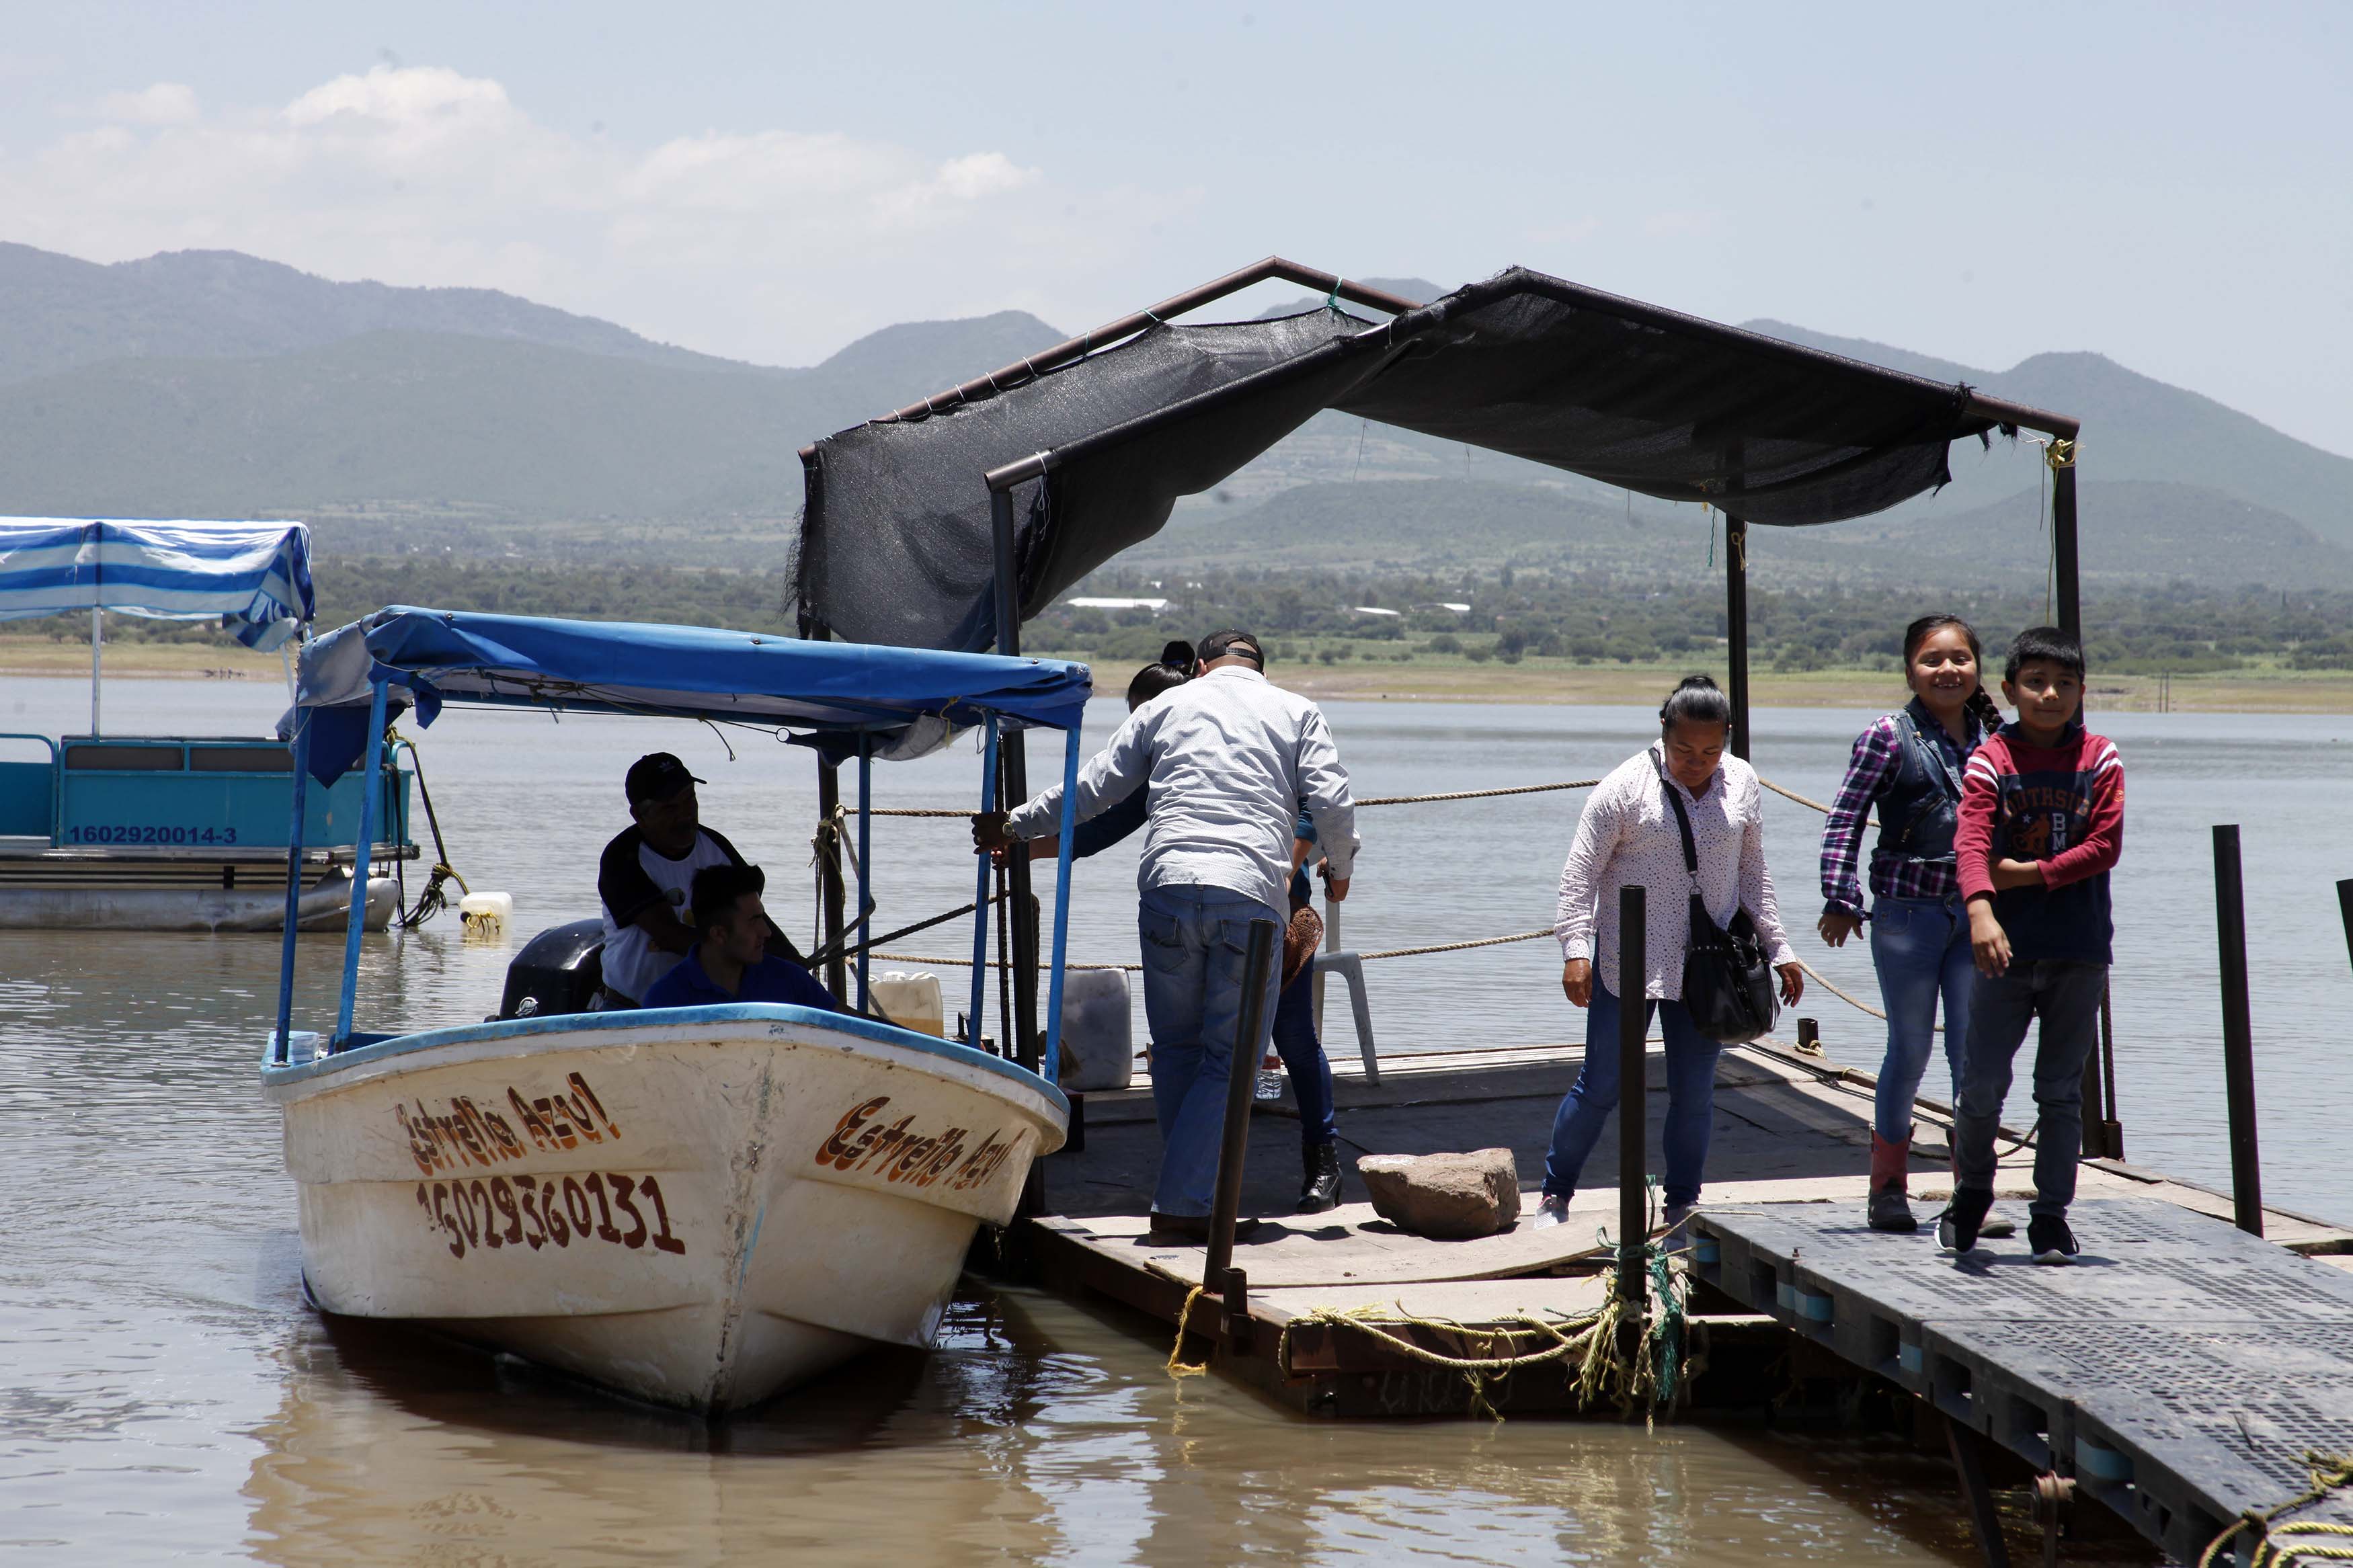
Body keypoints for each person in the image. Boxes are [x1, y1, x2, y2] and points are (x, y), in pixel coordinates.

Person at [975, 629, 1359, 1240]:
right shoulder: (1297, 710)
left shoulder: (1164, 707)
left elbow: (1092, 788)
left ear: (1202, 666)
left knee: (1177, 1051)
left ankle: (1194, 1201)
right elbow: (1333, 801)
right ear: (1260, 667)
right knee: (1230, 1063)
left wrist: (1015, 823)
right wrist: (1338, 872)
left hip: (1168, 890)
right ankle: (1183, 1204)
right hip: (1249, 894)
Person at [1540, 675, 1802, 1235]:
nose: (1698, 762)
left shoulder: (1743, 782)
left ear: (1728, 740)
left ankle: (1683, 1199)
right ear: (1664, 732)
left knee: (1694, 1089)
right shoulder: (1623, 788)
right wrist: (1575, 950)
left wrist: (1780, 947)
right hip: (1627, 959)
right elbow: (1578, 876)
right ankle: (1555, 1194)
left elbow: (1754, 873)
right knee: (1602, 1083)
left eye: (1711, 750)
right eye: (1685, 750)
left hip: (1709, 966)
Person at [1817, 616, 2009, 1235]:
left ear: (1978, 668)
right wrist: (1841, 895)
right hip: (1907, 915)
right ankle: (1888, 1190)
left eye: (1959, 659)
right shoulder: (1887, 736)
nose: (1947, 670)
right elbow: (1845, 819)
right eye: (1932, 660)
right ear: (1909, 671)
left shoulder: (1996, 738)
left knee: (1970, 1054)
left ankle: (1970, 1193)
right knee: (1911, 1047)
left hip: (1977, 917)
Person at [1940, 628, 2124, 1265]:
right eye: (2036, 682)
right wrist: (1982, 908)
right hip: (2002, 950)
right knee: (1982, 1085)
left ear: (2080, 691)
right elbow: (1969, 845)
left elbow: (2105, 847)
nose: (2050, 694)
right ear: (2011, 689)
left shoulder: (2101, 757)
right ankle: (1971, 1192)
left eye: (2064, 684)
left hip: (2078, 949)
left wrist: (2022, 873)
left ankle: (2050, 1216)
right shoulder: (1992, 759)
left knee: (2060, 1090)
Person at [597, 752, 761, 1007]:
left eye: (690, 800)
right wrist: (749, 953)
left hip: (705, 1004)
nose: (685, 815)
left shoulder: (716, 848)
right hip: (630, 1008)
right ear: (639, 815)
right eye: (670, 808)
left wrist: (793, 964)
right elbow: (668, 935)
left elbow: (754, 919)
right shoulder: (622, 858)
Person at [640, 863, 843, 1012]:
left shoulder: (790, 980)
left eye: (762, 917)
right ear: (719, 933)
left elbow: (851, 1027)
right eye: (754, 920)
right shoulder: (665, 1001)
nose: (767, 932)